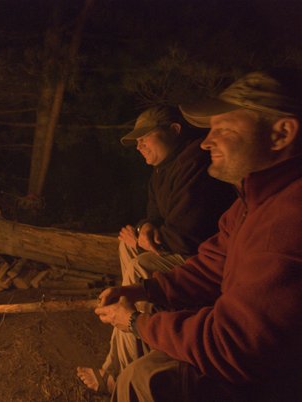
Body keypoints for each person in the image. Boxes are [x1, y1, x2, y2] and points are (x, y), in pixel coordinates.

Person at [96, 69, 302, 402]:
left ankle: (117, 374)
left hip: (277, 379)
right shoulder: (254, 198)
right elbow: (212, 263)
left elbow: (232, 345)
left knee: (146, 378)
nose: (206, 141)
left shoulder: (288, 221)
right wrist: (145, 290)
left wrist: (137, 322)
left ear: (281, 133)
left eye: (224, 128)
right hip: (248, 352)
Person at [77, 106, 234, 394]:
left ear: (174, 131)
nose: (139, 145)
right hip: (180, 248)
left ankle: (117, 373)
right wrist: (146, 227)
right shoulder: (163, 169)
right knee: (128, 247)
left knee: (140, 268)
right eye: (137, 141)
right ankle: (117, 361)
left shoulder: (196, 162)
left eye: (146, 137)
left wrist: (151, 238)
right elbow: (154, 213)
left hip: (202, 258)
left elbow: (188, 235)